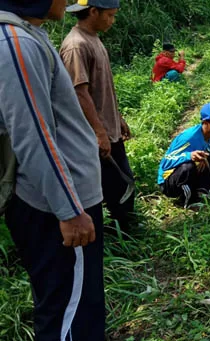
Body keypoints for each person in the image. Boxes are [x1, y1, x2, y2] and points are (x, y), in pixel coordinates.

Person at [0, 0, 134, 341]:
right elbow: (33, 134)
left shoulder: (30, 34)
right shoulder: (16, 43)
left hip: (71, 196)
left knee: (85, 298)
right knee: (66, 305)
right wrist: (68, 208)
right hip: (55, 204)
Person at [60, 0, 136, 233]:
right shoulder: (76, 45)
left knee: (123, 182)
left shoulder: (93, 38)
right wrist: (99, 132)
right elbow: (79, 92)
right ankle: (119, 238)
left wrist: (118, 117)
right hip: (95, 135)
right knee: (115, 187)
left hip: (108, 130)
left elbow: (101, 89)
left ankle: (127, 231)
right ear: (93, 11)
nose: (113, 21)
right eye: (110, 15)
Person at [157, 102, 210, 207]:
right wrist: (189, 156)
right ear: (206, 122)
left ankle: (201, 191)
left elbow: (208, 152)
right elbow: (166, 162)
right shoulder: (188, 138)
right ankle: (189, 202)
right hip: (170, 182)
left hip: (190, 175)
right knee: (188, 166)